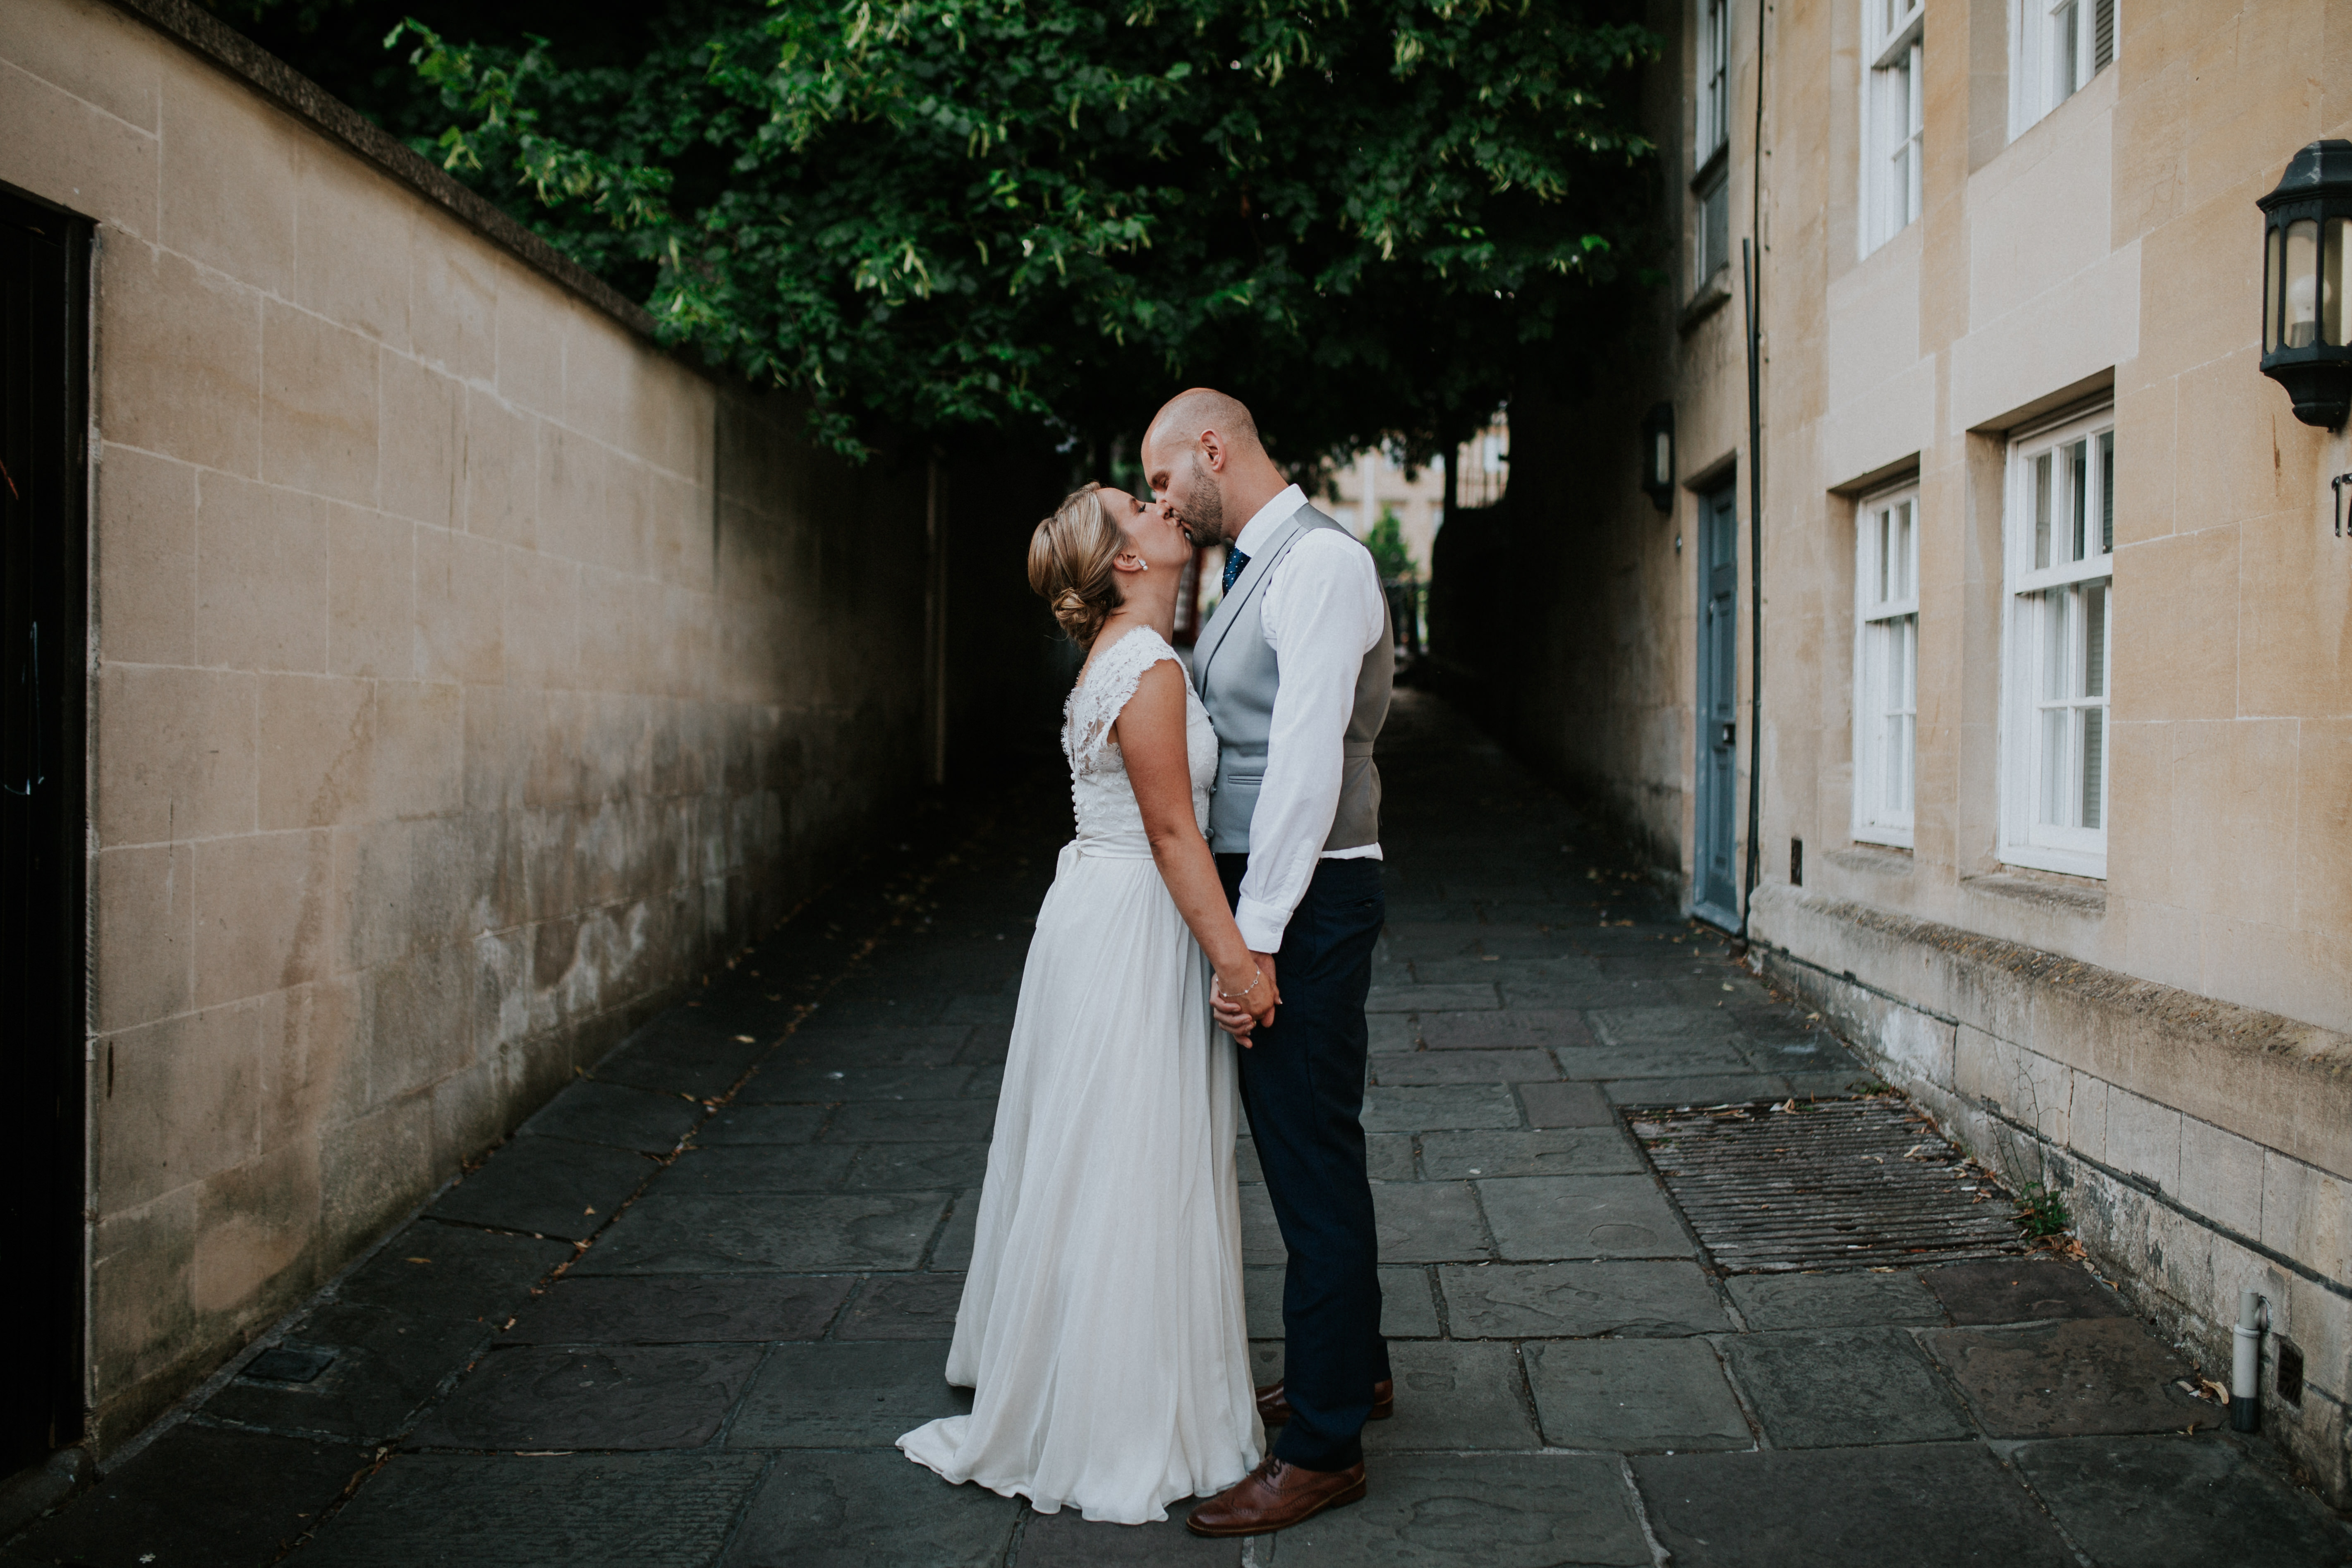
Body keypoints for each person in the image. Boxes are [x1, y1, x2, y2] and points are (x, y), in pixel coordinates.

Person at [897, 482, 1276, 1525]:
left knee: (1102, 1145)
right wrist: (1238, 964)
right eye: (1140, 510)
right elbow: (1170, 836)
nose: (1164, 512)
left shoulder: (1122, 658)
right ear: (1125, 561)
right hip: (1133, 921)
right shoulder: (1145, 668)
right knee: (1128, 1150)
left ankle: (1088, 1364)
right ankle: (1117, 1413)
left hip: (1099, 911)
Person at [1142, 388, 1396, 1539]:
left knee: (1305, 1156)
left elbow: (1300, 769)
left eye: (1159, 480)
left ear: (1212, 448)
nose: (1158, 502)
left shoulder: (1321, 564)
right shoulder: (1258, 562)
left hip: (1305, 893)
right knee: (1311, 1144)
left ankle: (1325, 1446)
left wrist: (1254, 941)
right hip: (1284, 891)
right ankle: (1356, 1370)